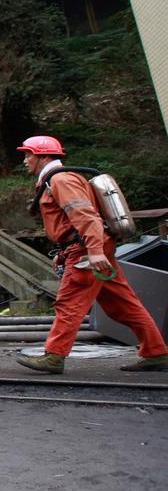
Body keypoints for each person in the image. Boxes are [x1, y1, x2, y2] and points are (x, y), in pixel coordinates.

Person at [15, 135, 168, 373]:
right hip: (85, 248)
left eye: (28, 154)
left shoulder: (61, 180)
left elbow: (86, 217)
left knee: (69, 303)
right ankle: (156, 352)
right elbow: (71, 222)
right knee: (123, 305)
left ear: (44, 156)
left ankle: (54, 356)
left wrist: (95, 251)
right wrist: (65, 252)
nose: (25, 160)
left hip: (87, 251)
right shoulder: (55, 180)